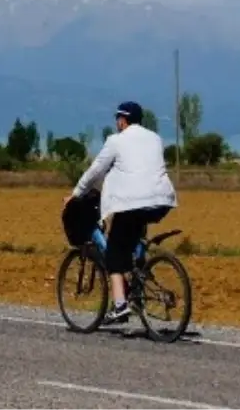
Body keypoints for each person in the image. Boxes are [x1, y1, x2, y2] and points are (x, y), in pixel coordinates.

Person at [64, 101, 177, 324]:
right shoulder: (155, 138)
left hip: (132, 202)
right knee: (133, 239)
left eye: (118, 119)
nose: (117, 123)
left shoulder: (116, 141)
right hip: (162, 200)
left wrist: (76, 193)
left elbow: (97, 169)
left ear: (122, 120)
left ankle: (120, 305)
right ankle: (137, 281)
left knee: (114, 254)